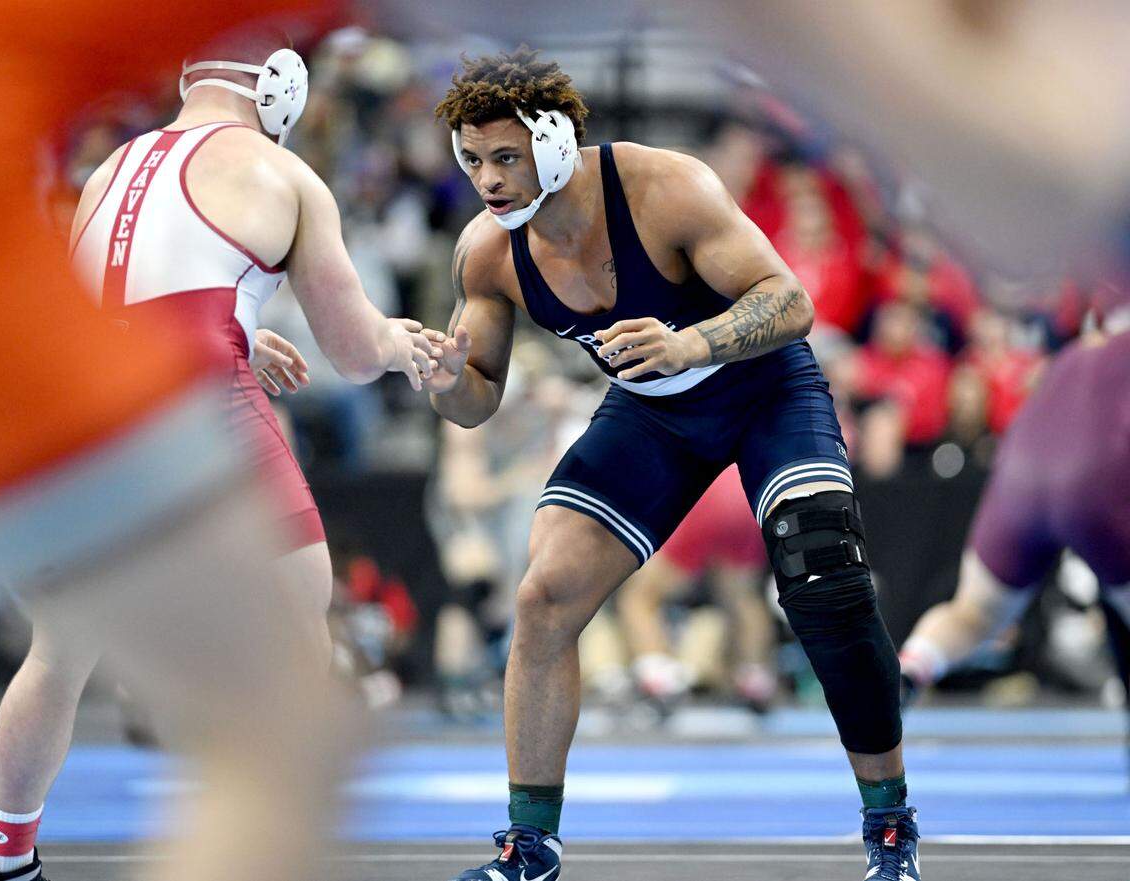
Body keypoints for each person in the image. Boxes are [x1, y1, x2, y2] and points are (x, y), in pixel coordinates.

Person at [0, 6, 437, 881]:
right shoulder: (281, 172)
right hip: (202, 400)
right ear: (280, 86)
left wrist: (238, 327)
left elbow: (118, 311)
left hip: (74, 406)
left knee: (63, 646)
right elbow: (352, 353)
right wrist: (404, 342)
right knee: (291, 648)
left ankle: (6, 861)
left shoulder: (111, 170)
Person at [422, 47, 918, 881]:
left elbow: (788, 300)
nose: (488, 180)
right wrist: (443, 382)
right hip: (654, 413)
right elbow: (478, 399)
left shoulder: (662, 188)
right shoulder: (488, 253)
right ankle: (529, 844)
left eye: (506, 157)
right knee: (544, 596)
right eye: (472, 160)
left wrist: (691, 339)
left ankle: (890, 823)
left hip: (763, 391)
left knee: (823, 577)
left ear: (555, 144)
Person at [900, 299, 1130, 715]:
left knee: (973, 613)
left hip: (1028, 456)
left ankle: (915, 663)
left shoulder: (1077, 355)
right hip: (1102, 469)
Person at [617, 465, 777, 713]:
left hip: (708, 495)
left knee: (640, 597)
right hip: (749, 495)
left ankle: (660, 679)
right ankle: (754, 679)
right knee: (742, 596)